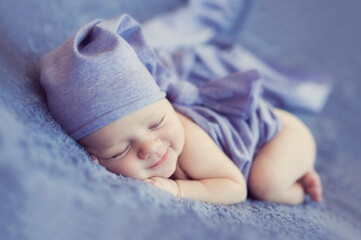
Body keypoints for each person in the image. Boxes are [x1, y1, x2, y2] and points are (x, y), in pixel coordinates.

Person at [40, 2, 327, 205]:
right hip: (273, 143)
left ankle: (298, 185)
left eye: (157, 122)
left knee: (264, 183)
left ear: (166, 102)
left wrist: (176, 189)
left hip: (280, 134)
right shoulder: (130, 142)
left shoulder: (190, 140)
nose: (151, 148)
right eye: (121, 150)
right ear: (94, 158)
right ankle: (291, 167)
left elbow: (234, 188)